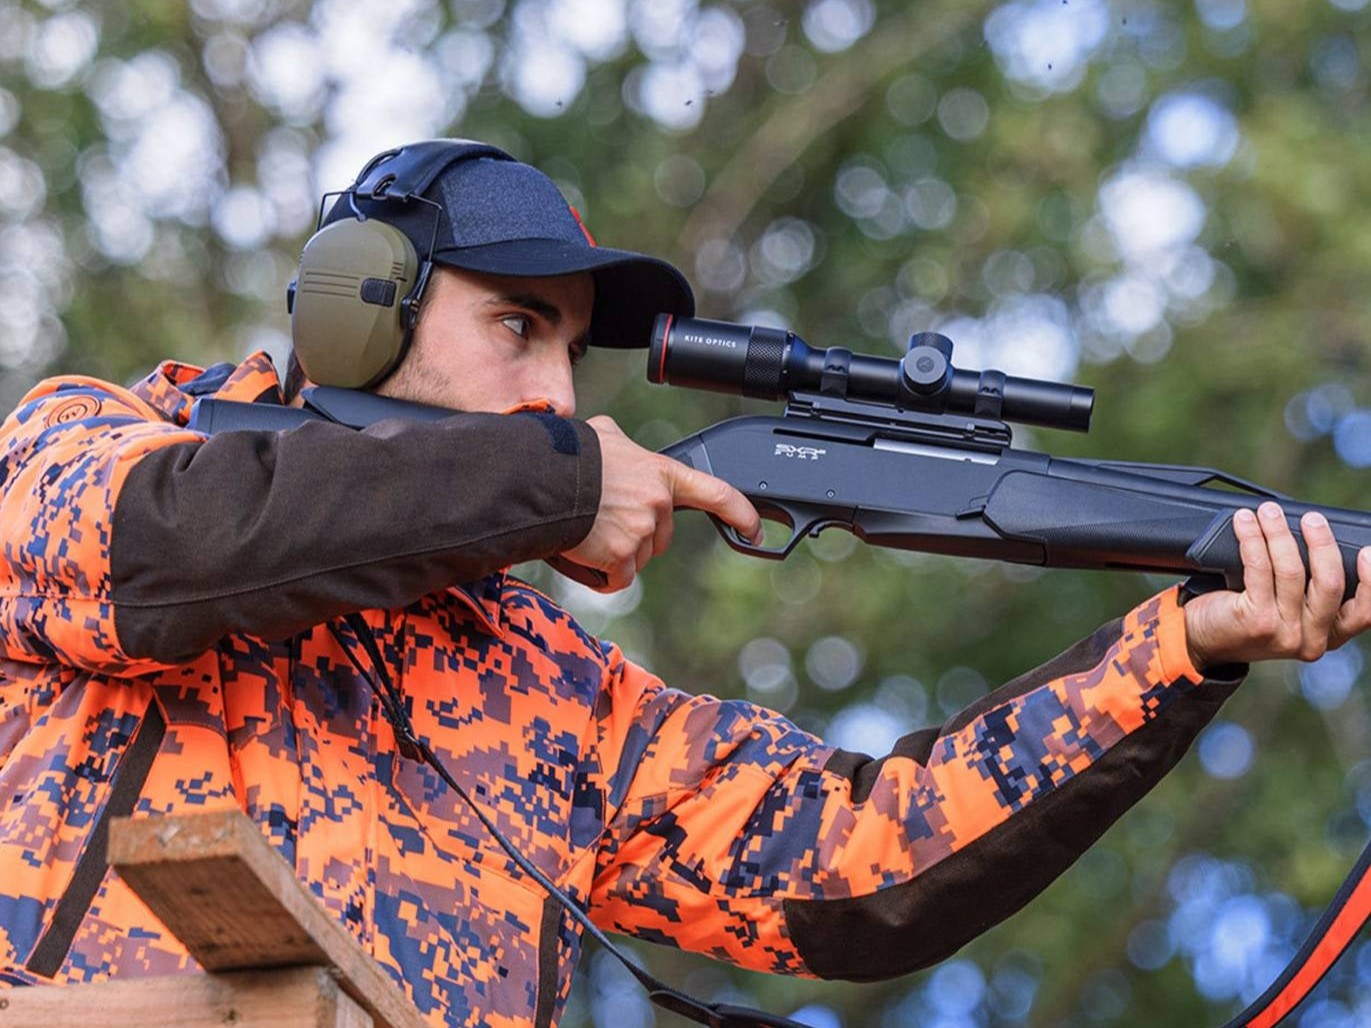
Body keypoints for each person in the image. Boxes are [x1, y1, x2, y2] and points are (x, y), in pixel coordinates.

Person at [0, 138, 1366, 1028]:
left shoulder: (543, 684)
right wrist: (560, 482)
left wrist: (1183, 645)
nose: (550, 393)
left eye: (573, 362)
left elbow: (854, 870)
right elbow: (167, 555)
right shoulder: (109, 442)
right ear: (356, 314)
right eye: (516, 328)